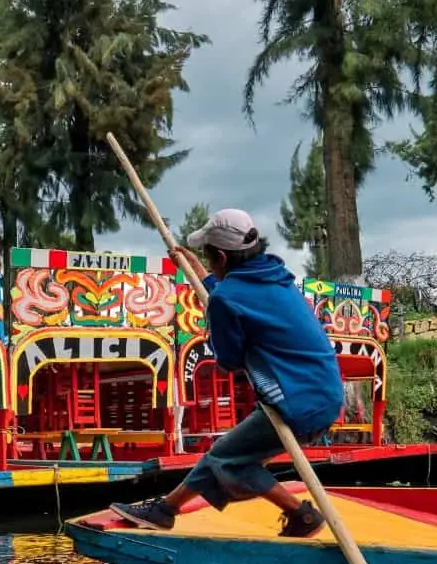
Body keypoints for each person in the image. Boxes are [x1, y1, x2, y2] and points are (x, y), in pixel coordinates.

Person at [110, 209, 344, 538]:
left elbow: (230, 361)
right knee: (222, 453)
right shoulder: (274, 273)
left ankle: (301, 514)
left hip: (298, 400)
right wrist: (203, 278)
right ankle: (165, 510)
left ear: (220, 256)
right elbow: (239, 300)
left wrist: (214, 307)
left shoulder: (226, 299)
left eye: (210, 258)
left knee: (230, 462)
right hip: (322, 391)